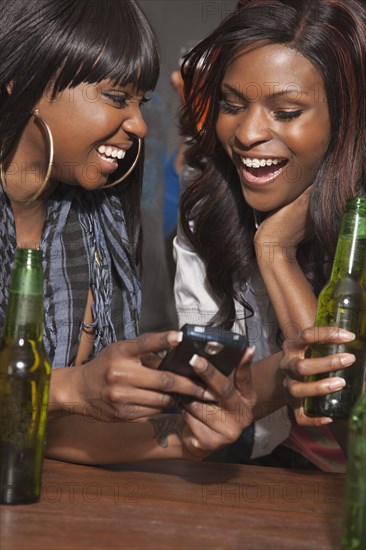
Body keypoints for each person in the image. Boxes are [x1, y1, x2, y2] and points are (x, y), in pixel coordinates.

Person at [0, 0, 259, 464]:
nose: (139, 124)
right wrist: (66, 389)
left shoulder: (97, 222)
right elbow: (60, 401)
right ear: (21, 79)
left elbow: (47, 433)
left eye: (141, 102)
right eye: (117, 98)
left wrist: (184, 435)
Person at [174, 0, 366, 471]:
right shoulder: (209, 210)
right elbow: (205, 411)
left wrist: (277, 255)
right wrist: (269, 245)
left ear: (346, 122)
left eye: (286, 112)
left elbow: (354, 439)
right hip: (261, 475)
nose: (247, 133)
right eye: (232, 105)